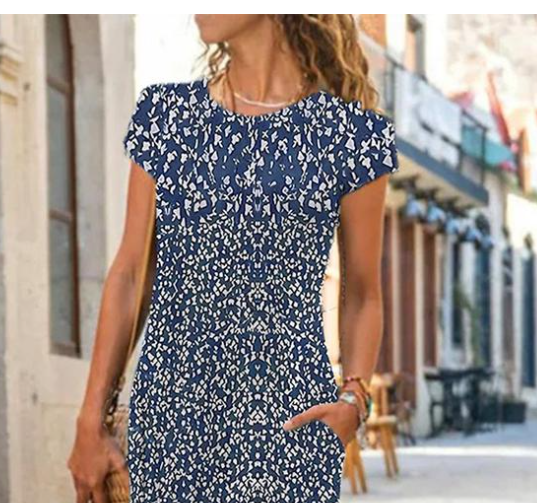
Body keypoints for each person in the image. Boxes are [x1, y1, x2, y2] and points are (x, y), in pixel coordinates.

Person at [67, 14, 400, 503]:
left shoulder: (352, 137)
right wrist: (89, 420)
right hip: (173, 419)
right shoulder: (167, 118)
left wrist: (354, 399)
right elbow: (131, 273)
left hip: (291, 424)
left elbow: (364, 292)